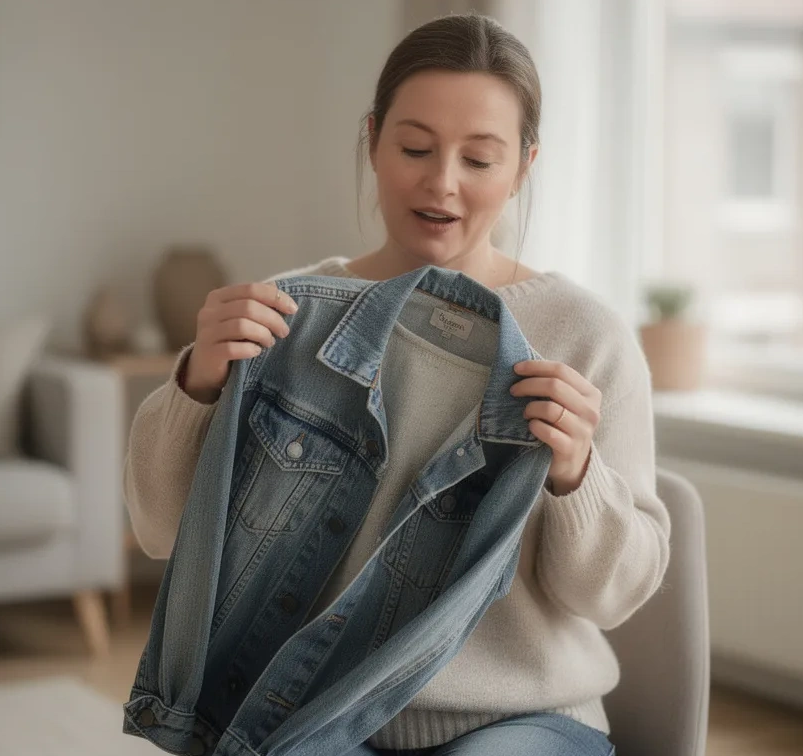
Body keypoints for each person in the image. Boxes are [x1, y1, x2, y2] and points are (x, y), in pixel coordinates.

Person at [124, 12, 669, 756]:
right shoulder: (284, 315)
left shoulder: (586, 338)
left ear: (523, 166)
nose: (441, 183)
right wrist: (195, 384)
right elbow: (157, 530)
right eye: (415, 147)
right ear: (373, 141)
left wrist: (577, 476)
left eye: (479, 159)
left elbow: (612, 598)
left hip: (521, 721)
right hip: (310, 712)